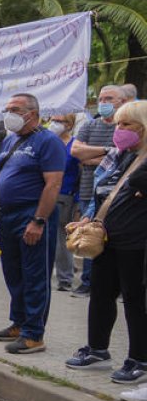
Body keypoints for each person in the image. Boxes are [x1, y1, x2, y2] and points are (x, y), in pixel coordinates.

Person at [65, 101, 147, 385]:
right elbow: (106, 192)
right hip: (108, 238)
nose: (119, 130)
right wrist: (88, 220)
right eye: (119, 124)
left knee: (136, 301)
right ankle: (97, 349)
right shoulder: (125, 155)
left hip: (137, 243)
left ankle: (139, 359)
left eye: (127, 125)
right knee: (100, 294)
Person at [0, 93, 66, 354]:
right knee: (13, 272)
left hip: (32, 214)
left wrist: (38, 220)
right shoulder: (11, 139)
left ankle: (34, 334)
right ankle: (19, 322)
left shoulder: (48, 141)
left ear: (32, 113)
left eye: (14, 109)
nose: (8, 112)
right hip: (7, 215)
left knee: (35, 274)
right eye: (7, 108)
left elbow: (53, 183)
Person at [70, 84, 129, 296]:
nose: (103, 103)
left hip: (117, 197)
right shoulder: (89, 126)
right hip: (89, 191)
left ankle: (120, 286)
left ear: (122, 103)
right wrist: (109, 152)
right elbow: (76, 152)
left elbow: (125, 162)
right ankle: (88, 282)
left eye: (109, 99)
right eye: (101, 99)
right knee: (89, 238)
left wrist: (91, 158)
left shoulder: (126, 129)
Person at [47, 113, 80, 291]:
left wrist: (77, 201)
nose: (55, 124)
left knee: (62, 238)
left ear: (69, 125)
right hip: (44, 194)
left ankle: (65, 278)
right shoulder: (47, 142)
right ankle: (44, 274)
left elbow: (80, 173)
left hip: (65, 196)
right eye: (54, 120)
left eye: (60, 121)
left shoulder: (74, 144)